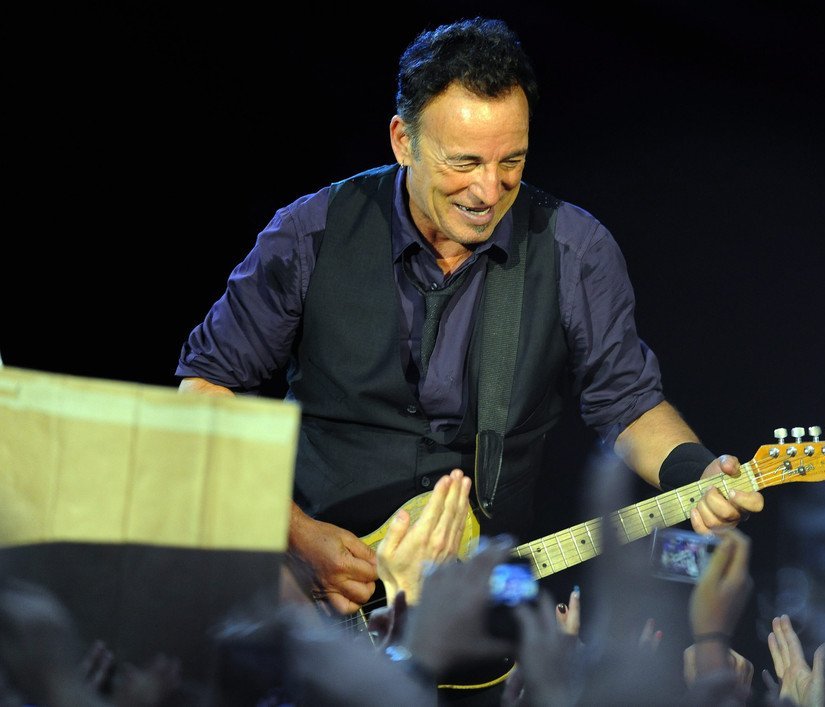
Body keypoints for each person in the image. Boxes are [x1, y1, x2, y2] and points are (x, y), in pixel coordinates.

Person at [175, 16, 764, 616]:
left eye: (512, 160)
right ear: (403, 141)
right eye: (464, 163)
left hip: (485, 594)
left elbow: (629, 404)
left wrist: (698, 474)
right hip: (311, 592)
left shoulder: (575, 249)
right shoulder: (309, 232)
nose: (488, 191)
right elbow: (204, 390)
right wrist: (295, 534)